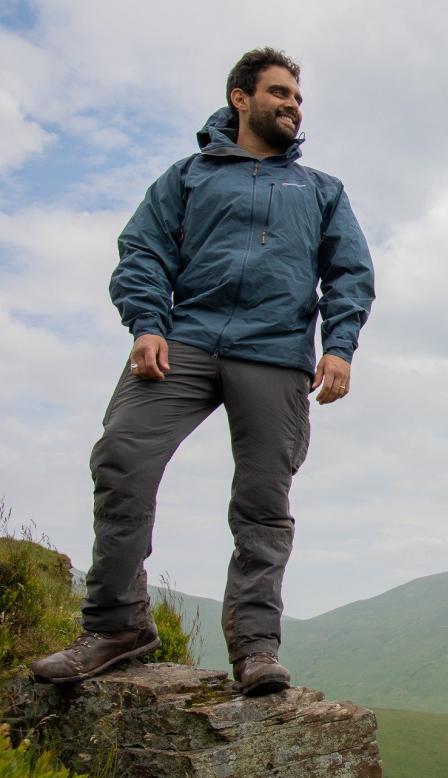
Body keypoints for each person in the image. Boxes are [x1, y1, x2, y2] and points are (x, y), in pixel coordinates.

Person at [31, 48, 375, 696]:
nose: (292, 107)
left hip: (275, 352)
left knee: (263, 502)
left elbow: (350, 273)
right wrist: (147, 325)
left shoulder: (321, 190)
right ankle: (117, 627)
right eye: (279, 94)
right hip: (184, 339)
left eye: (298, 99)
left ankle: (255, 650)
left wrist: (340, 346)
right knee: (121, 458)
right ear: (240, 98)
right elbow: (142, 251)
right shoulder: (187, 178)